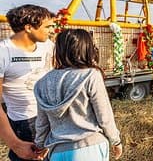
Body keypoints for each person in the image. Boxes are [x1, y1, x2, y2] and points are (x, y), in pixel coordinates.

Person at [34, 29, 122, 160]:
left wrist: (40, 146)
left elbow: (42, 122)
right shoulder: (90, 75)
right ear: (86, 49)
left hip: (58, 151)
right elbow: (104, 116)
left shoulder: (42, 83)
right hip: (90, 147)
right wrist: (115, 140)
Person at [0, 4, 55, 161]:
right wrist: (15, 144)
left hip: (50, 116)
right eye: (48, 27)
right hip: (25, 123)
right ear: (29, 27)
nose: (52, 31)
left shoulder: (47, 46)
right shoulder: (3, 52)